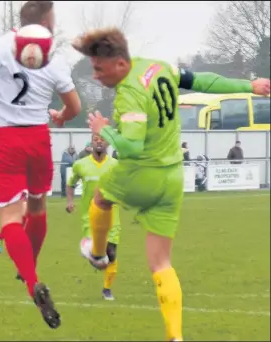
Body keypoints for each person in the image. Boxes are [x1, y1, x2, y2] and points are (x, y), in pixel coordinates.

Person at [72, 27, 270, 341]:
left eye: (99, 68)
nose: (96, 76)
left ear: (121, 64)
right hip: (173, 178)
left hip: (141, 172)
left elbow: (131, 148)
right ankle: (175, 337)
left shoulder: (129, 93)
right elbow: (204, 81)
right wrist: (250, 85)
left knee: (101, 197)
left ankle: (97, 253)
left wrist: (103, 130)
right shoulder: (159, 67)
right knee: (162, 263)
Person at [0, 0, 82, 329]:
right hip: (37, 138)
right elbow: (74, 106)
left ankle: (31, 278)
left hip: (5, 140)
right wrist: (61, 117)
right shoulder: (55, 58)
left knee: (9, 217)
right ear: (47, 24)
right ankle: (28, 268)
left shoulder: (0, 46)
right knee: (36, 208)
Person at [65, 133, 120, 301]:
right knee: (98, 256)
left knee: (111, 253)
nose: (99, 142)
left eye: (102, 139)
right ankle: (89, 251)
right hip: (90, 217)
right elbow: (70, 184)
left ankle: (107, 289)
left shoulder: (116, 166)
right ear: (91, 142)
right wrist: (69, 201)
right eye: (96, 139)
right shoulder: (80, 165)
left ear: (108, 143)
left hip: (113, 216)